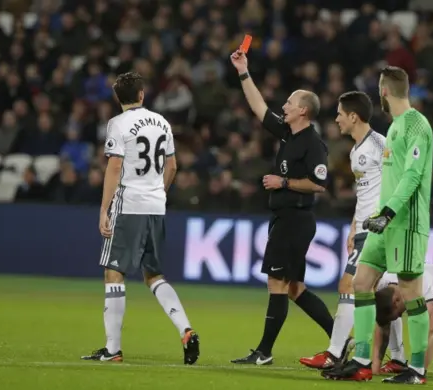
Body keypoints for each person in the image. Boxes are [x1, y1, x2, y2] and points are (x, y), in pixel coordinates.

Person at [321, 66, 433, 384]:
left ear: (384, 91)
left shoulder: (416, 125)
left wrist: (387, 212)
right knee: (361, 283)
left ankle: (416, 369)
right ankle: (360, 361)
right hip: (383, 225)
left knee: (411, 293)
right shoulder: (396, 127)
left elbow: (413, 176)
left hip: (406, 222)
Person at [81, 72, 199, 364]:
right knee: (154, 276)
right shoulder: (162, 122)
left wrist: (104, 208)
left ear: (117, 98)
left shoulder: (118, 124)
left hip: (129, 205)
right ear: (142, 95)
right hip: (156, 206)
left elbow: (114, 166)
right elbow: (172, 166)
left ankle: (113, 349)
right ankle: (185, 329)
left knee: (113, 272)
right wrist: (160, 192)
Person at [228, 50, 335, 365]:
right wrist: (243, 72)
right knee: (295, 288)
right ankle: (342, 339)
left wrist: (284, 182)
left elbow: (319, 183)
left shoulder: (313, 145)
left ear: (302, 110)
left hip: (295, 220)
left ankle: (263, 353)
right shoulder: (289, 133)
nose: (283, 106)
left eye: (289, 103)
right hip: (286, 219)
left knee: (277, 283)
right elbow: (258, 107)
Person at [299, 91, 406, 373]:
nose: (336, 119)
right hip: (363, 228)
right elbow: (364, 194)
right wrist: (352, 227)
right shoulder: (356, 150)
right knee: (382, 292)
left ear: (353, 116)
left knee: (348, 285)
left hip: (379, 228)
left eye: (339, 114)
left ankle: (334, 353)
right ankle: (399, 357)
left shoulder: (380, 145)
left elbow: (399, 183)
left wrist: (386, 221)